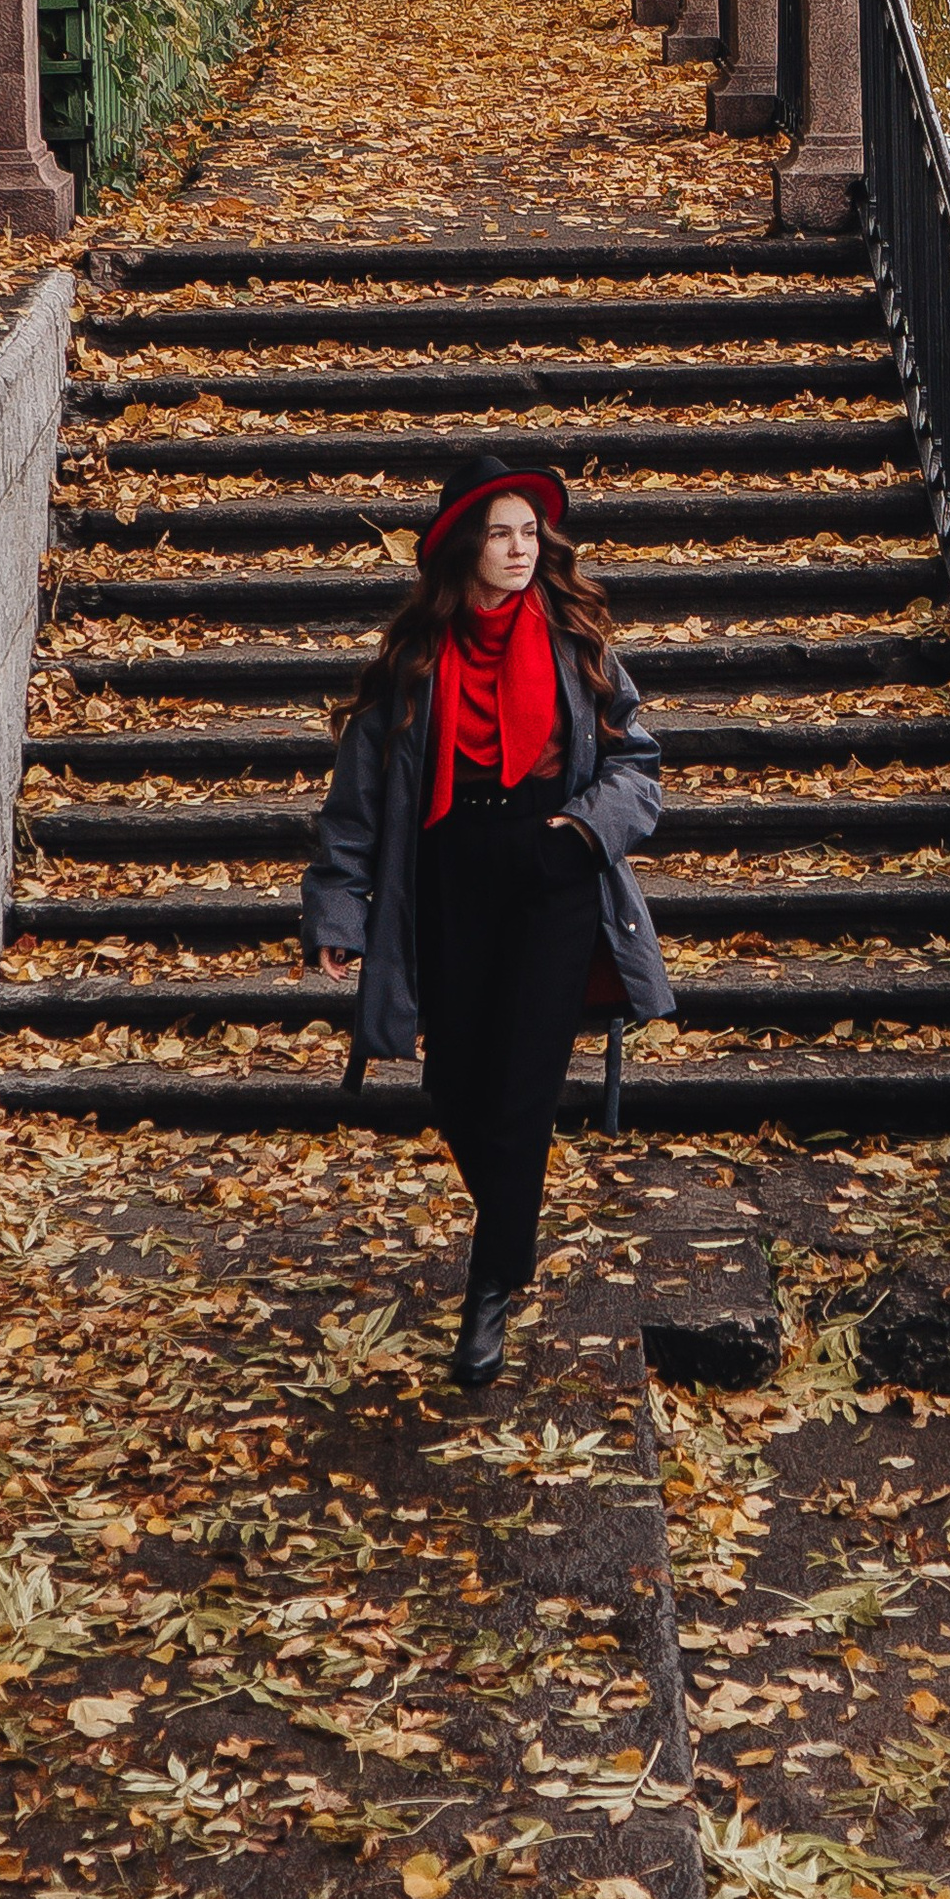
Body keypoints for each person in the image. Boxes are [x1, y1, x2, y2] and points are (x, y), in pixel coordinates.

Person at [302, 450, 674, 1388]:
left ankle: (490, 1287)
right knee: (458, 1089)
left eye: (529, 532)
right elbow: (356, 804)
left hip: (550, 878)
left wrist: (582, 833)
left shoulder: (577, 638)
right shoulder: (413, 659)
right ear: (466, 546)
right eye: (501, 532)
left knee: (521, 1094)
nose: (519, 548)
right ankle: (511, 1239)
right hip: (447, 882)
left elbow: (641, 766)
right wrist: (338, 914)